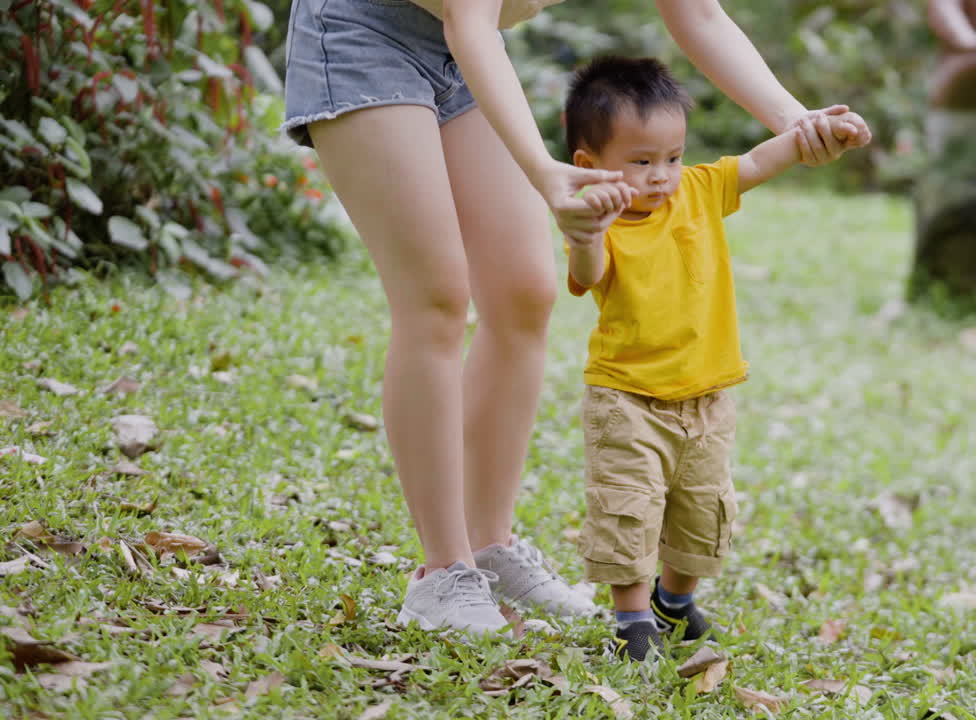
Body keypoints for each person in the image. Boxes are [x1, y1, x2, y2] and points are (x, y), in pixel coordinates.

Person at [281, 0, 866, 636]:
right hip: (366, 31)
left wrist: (796, 122)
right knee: (437, 297)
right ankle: (442, 574)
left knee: (525, 293)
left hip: (463, 50)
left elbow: (696, 12)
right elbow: (469, 20)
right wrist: (545, 175)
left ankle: (491, 548)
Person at [562, 56, 871, 660]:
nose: (661, 176)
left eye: (672, 158)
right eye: (642, 161)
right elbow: (588, 276)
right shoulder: (598, 222)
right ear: (588, 166)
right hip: (627, 398)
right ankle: (630, 622)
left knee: (702, 510)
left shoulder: (699, 190)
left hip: (706, 396)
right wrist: (585, 235)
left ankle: (673, 604)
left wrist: (818, 131)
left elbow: (760, 161)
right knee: (629, 508)